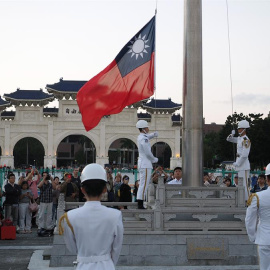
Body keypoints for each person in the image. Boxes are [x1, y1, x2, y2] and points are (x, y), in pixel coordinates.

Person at [59, 163, 123, 270]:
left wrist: (85, 256)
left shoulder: (70, 217)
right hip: (107, 265)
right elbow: (116, 248)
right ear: (104, 189)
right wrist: (107, 262)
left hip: (83, 265)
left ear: (82, 190)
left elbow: (72, 248)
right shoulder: (115, 215)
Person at [245, 163, 270, 270]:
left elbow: (249, 220)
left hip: (264, 238)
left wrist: (254, 237)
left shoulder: (257, 196)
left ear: (267, 179)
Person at [136, 120, 158, 209]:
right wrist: (154, 159)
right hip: (145, 164)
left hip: (143, 164)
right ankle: (140, 204)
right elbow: (148, 152)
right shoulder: (143, 139)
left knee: (143, 184)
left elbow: (147, 137)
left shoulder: (142, 137)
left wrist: (153, 135)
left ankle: (140, 201)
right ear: (144, 129)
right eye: (147, 127)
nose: (148, 128)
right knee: (144, 184)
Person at [227, 119, 251, 201]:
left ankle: (248, 201)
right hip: (240, 165)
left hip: (243, 165)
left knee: (245, 185)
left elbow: (244, 155)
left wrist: (238, 163)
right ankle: (242, 201)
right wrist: (231, 134)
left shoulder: (246, 140)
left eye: (239, 128)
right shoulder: (240, 139)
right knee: (240, 185)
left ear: (244, 129)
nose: (238, 130)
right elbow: (229, 139)